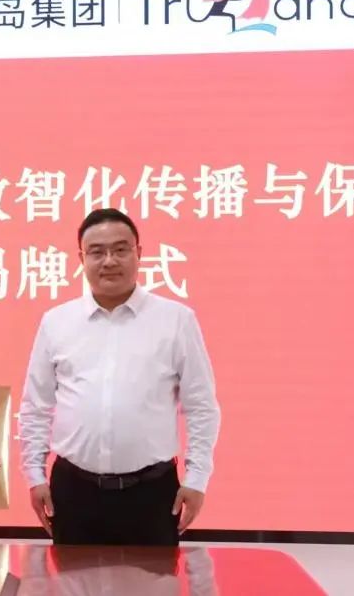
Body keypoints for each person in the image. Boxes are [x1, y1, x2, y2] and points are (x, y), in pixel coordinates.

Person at [19, 208, 220, 546]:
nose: (109, 261)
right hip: (74, 491)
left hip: (152, 493)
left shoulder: (176, 320)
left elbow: (201, 407)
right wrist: (34, 475)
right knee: (72, 577)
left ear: (138, 253)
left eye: (120, 249)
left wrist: (197, 478)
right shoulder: (56, 322)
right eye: (97, 252)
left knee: (154, 577)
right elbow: (35, 406)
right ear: (81, 259)